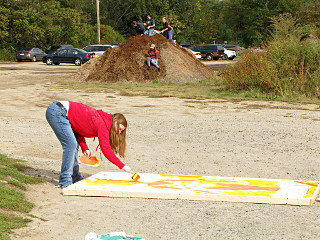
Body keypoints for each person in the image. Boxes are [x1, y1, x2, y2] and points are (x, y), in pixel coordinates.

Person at [46, 101, 133, 188]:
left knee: (73, 144)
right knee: (71, 145)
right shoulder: (103, 124)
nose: (119, 132)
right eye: (120, 128)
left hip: (59, 110)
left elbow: (78, 128)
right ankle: (65, 182)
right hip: (58, 111)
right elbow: (106, 149)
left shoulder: (104, 120)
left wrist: (85, 147)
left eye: (122, 131)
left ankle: (75, 177)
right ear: (115, 121)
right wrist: (123, 166)